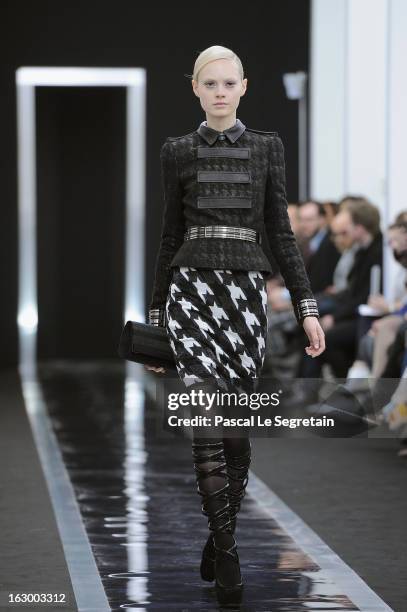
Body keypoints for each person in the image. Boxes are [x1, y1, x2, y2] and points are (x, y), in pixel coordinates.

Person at [145, 45, 325, 606]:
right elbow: (169, 235)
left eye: (229, 83)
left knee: (234, 428)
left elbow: (282, 233)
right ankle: (227, 551)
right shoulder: (177, 151)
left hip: (245, 299)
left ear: (243, 86)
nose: (220, 92)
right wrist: (156, 318)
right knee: (205, 420)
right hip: (191, 296)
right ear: (195, 89)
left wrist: (306, 306)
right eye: (209, 84)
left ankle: (219, 530)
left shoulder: (267, 148)